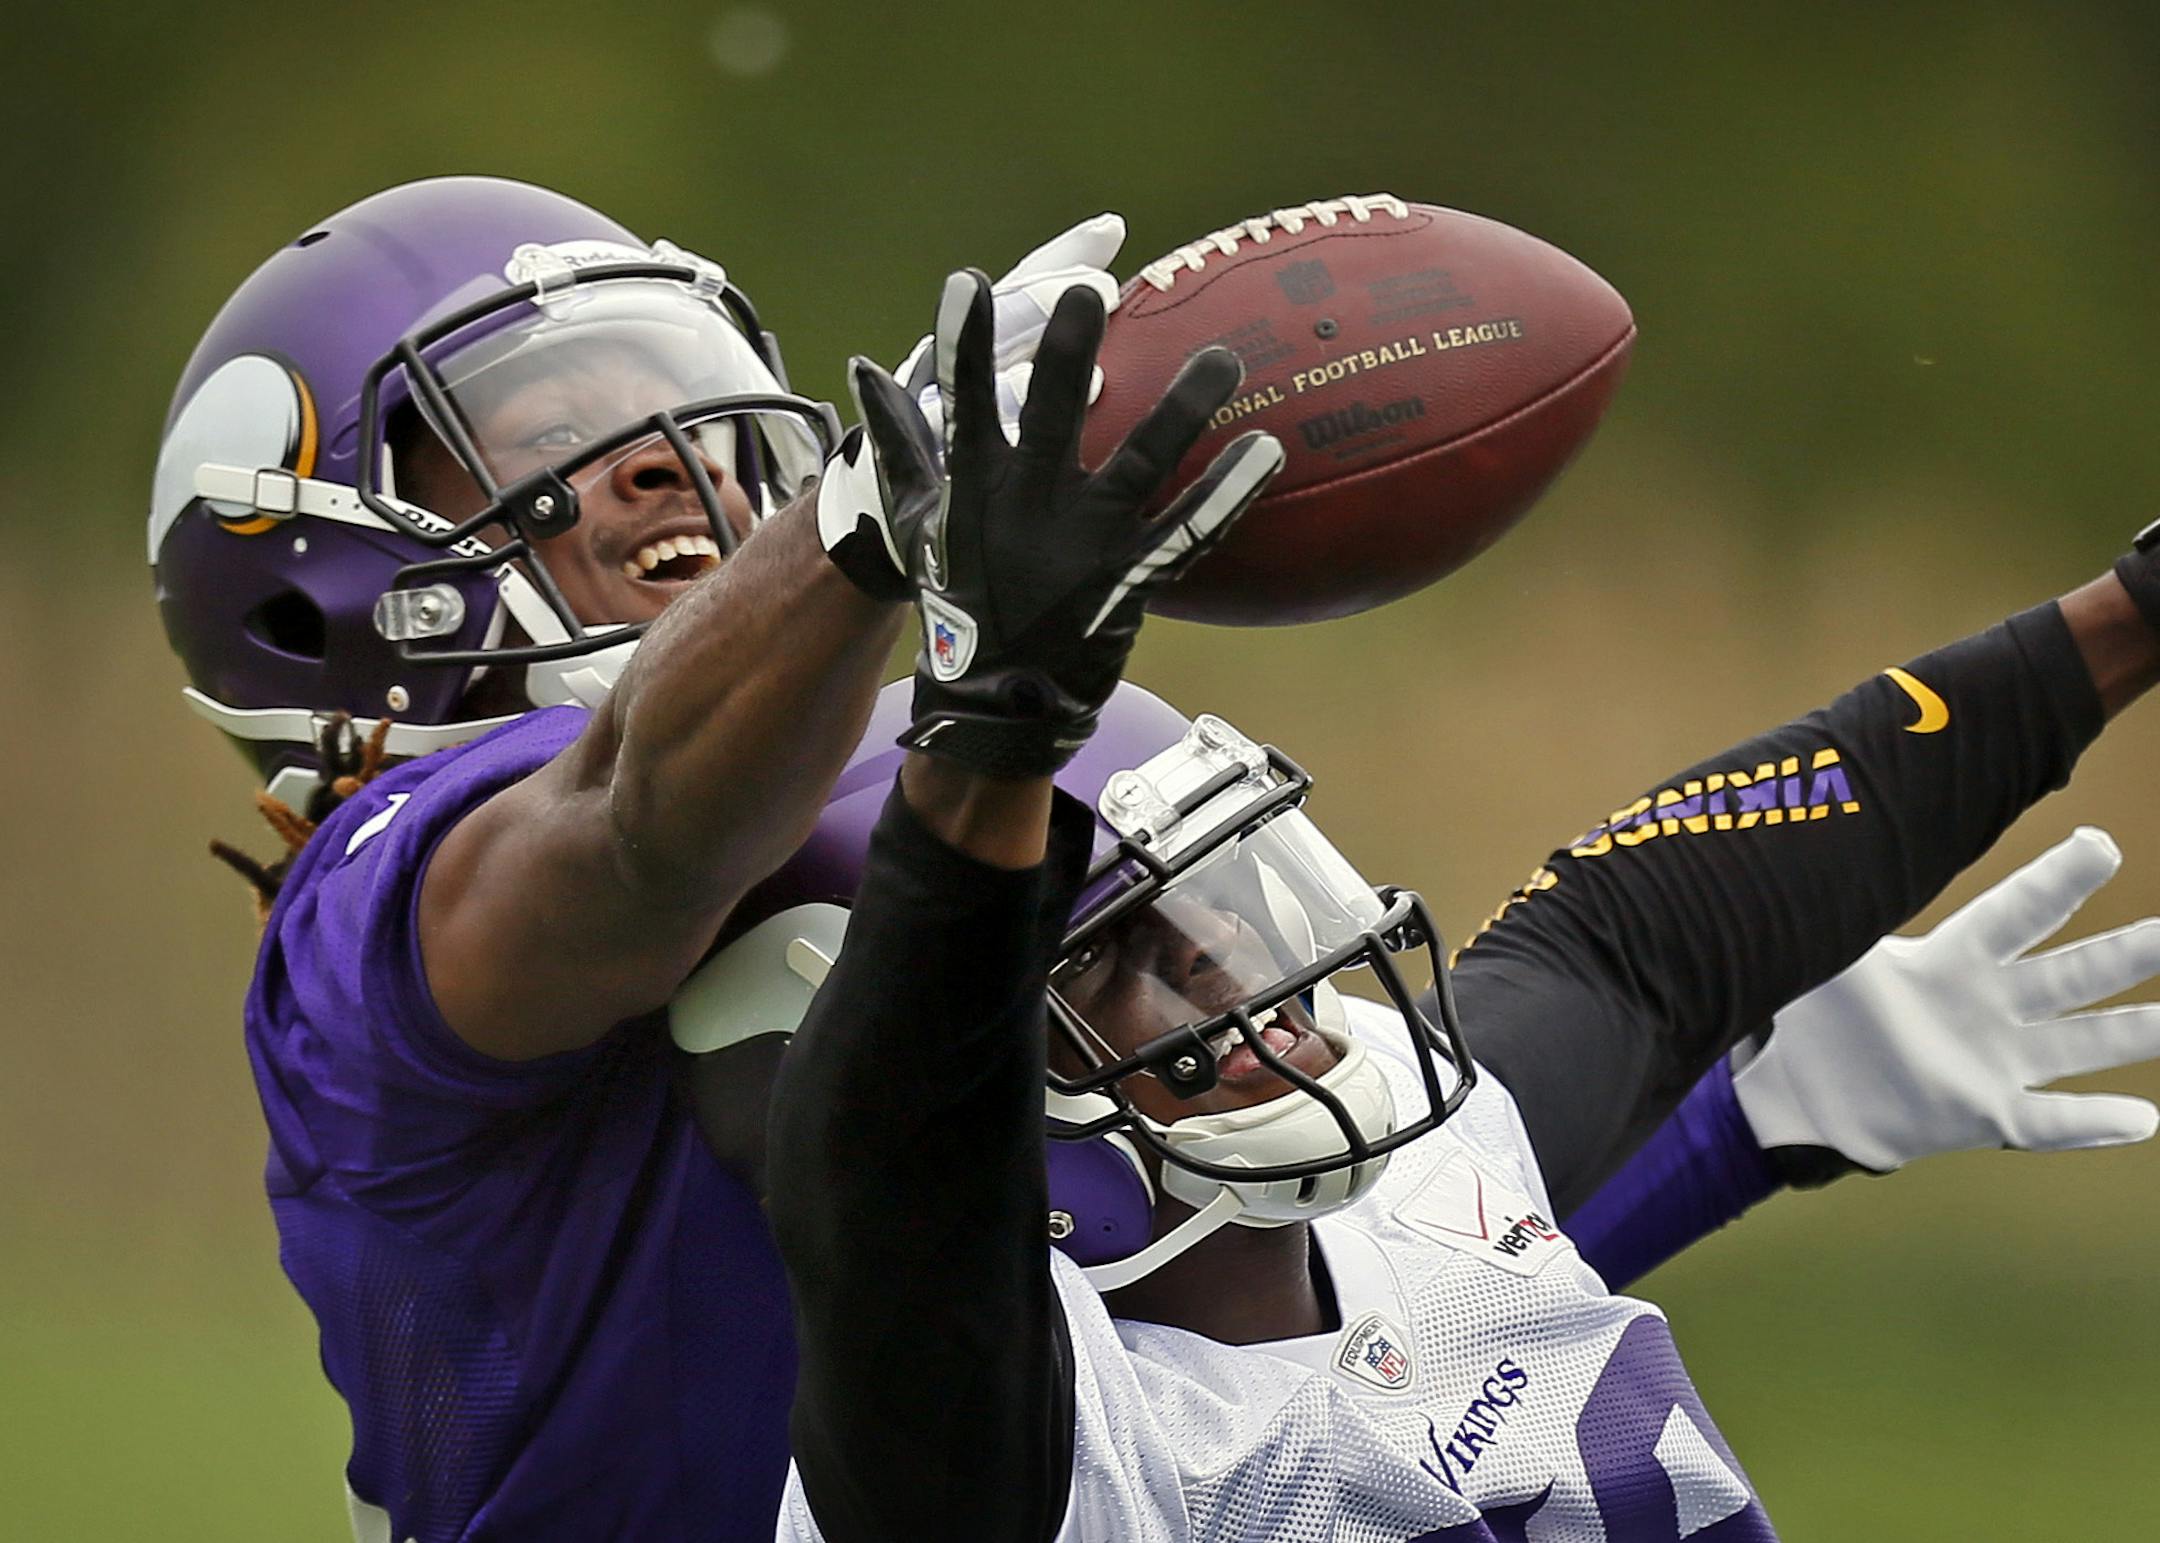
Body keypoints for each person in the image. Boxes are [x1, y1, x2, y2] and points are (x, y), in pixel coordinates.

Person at [155, 175, 2160, 1540]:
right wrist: (905, 578)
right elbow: (656, 862)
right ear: (314, 570)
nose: (675, 457)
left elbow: (1325, 1280)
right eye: (553, 425)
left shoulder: (881, 846)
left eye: (688, 401)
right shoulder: (402, 884)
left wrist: (1744, 1119)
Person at [761, 247, 2160, 1537]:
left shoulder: (1427, 1178)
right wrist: (996, 728)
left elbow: (1643, 937)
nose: (1224, 957)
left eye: (1217, 892)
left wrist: (2128, 618)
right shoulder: (1032, 1460)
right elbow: (894, 1156)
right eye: (1106, 954)